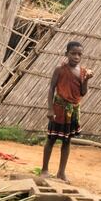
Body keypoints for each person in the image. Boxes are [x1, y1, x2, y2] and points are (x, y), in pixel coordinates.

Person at [41, 41, 94, 181]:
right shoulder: (60, 69)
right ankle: (44, 169)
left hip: (73, 111)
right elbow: (52, 88)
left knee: (67, 141)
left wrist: (87, 80)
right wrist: (50, 108)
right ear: (66, 54)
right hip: (59, 108)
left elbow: (82, 92)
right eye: (73, 53)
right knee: (51, 139)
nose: (76, 57)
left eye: (79, 54)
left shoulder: (83, 72)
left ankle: (61, 172)